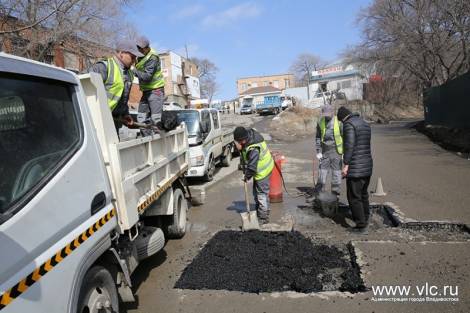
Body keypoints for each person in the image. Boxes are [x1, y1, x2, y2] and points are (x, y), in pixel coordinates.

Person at [89, 40, 143, 132]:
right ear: (121, 53)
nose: (134, 61)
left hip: (114, 122)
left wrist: (125, 114)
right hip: (96, 121)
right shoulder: (103, 67)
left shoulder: (129, 74)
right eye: (132, 57)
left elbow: (123, 99)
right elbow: (85, 91)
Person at [337, 106, 373, 234]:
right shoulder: (364, 123)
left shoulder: (349, 125)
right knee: (363, 194)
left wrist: (346, 165)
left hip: (356, 167)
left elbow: (349, 145)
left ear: (342, 118)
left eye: (341, 121)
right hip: (367, 165)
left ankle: (361, 226)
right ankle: (366, 217)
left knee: (353, 196)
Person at [234, 126, 275, 225]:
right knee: (256, 193)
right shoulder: (248, 135)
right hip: (259, 170)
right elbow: (244, 155)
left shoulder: (253, 148)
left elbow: (252, 167)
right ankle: (259, 210)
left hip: (263, 171)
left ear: (242, 141)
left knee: (261, 195)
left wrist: (246, 177)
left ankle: (263, 218)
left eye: (237, 143)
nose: (235, 144)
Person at [134, 36, 165, 130]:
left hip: (156, 90)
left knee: (156, 120)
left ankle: (158, 141)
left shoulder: (152, 57)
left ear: (147, 47)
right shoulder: (140, 56)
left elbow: (147, 77)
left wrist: (133, 70)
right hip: (146, 91)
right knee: (141, 118)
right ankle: (146, 140)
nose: (139, 50)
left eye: (141, 49)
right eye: (138, 48)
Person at [314, 105, 343, 196]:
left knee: (336, 174)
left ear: (332, 113)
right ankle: (320, 193)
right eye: (325, 114)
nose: (326, 116)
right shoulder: (320, 122)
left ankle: (335, 194)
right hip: (325, 152)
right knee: (322, 173)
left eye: (328, 114)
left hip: (336, 152)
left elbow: (345, 138)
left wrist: (345, 153)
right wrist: (318, 151)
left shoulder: (339, 122)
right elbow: (318, 137)